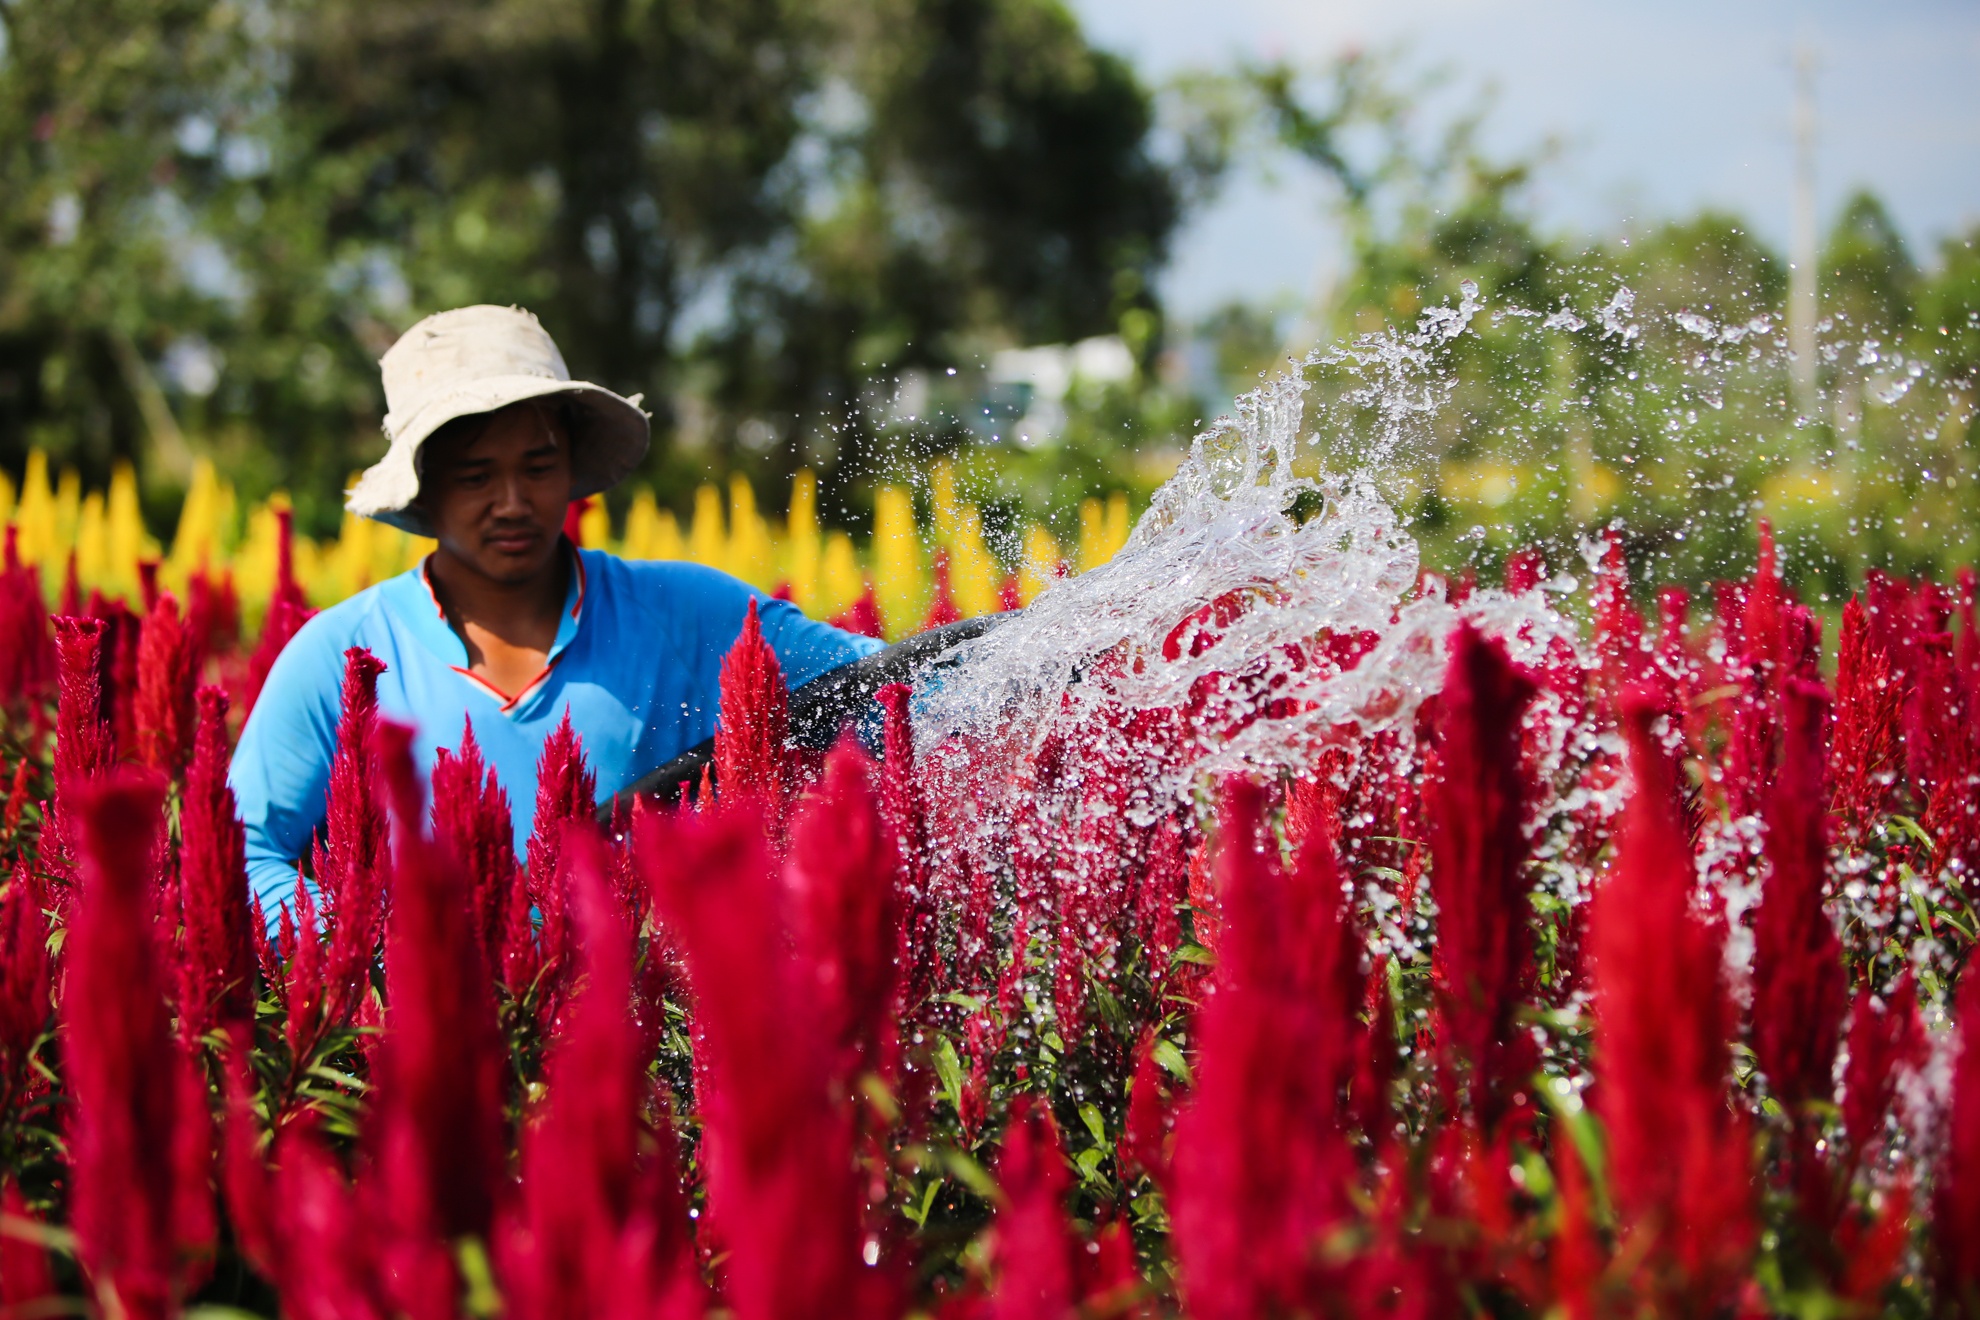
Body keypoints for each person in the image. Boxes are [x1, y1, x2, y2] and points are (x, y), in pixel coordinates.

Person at [229, 305, 882, 918]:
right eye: (476, 476)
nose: (512, 502)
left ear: (570, 467)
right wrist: (377, 954)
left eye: (538, 466)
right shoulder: (343, 656)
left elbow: (885, 686)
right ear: (426, 490)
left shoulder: (686, 612)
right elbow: (247, 853)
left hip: (647, 1021)